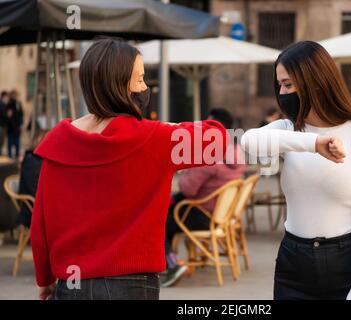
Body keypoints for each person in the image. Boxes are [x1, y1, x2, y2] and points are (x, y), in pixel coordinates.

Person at [30, 37, 229, 300]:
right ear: (120, 86)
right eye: (140, 79)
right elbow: (217, 140)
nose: (145, 87)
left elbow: (41, 221)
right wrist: (165, 127)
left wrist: (44, 279)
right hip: (132, 284)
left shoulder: (58, 140)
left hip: (71, 283)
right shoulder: (154, 138)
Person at [240, 40, 351, 300]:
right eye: (280, 85)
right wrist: (313, 143)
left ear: (315, 82)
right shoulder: (289, 131)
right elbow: (248, 142)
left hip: (350, 260)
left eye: (288, 84)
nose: (283, 92)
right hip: (293, 263)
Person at [161, 108, 246, 288]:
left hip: (201, 214)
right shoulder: (237, 152)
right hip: (222, 216)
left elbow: (188, 189)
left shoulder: (210, 156)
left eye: (208, 125)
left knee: (156, 223)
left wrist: (186, 172)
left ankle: (172, 264)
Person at [16, 130, 47, 228]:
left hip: (36, 207)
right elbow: (34, 190)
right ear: (40, 141)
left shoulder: (35, 159)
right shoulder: (32, 161)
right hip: (30, 211)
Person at [6, 90, 23, 159]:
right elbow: (9, 116)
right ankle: (10, 154)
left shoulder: (18, 104)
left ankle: (17, 154)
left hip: (17, 126)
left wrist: (21, 124)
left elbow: (21, 114)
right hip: (11, 126)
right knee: (10, 141)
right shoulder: (9, 104)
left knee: (17, 142)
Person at [0, 91, 8, 155]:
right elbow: (3, 115)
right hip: (1, 125)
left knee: (2, 140)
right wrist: (7, 114)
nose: (7, 98)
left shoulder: (5, 105)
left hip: (3, 125)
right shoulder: (1, 104)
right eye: (6, 97)